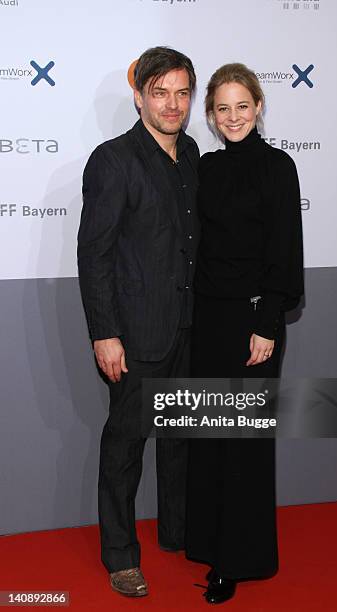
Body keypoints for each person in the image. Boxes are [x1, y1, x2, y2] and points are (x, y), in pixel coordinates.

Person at [77, 46, 199, 597]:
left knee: (183, 439)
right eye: (160, 92)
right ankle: (121, 555)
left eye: (181, 92)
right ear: (139, 96)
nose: (172, 105)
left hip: (190, 328)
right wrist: (105, 333)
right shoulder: (113, 159)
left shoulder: (194, 153)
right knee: (125, 447)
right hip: (135, 333)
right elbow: (94, 254)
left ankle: (178, 532)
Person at [185, 63, 304, 604]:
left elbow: (283, 249)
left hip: (252, 324)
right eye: (222, 108)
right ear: (210, 115)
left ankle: (237, 562)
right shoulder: (205, 169)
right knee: (211, 437)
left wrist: (267, 325)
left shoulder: (278, 167)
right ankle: (210, 544)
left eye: (242, 105)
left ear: (258, 107)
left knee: (244, 445)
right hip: (208, 320)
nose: (233, 116)